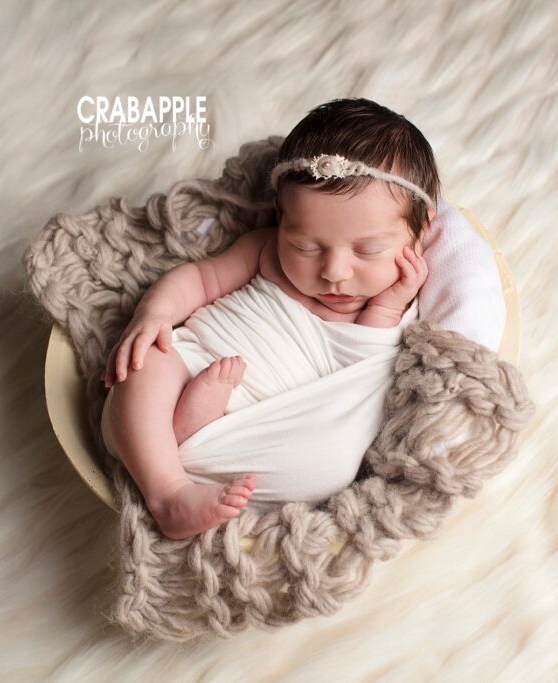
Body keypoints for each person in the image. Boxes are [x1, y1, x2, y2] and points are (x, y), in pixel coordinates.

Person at [99, 97, 441, 539]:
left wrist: (390, 304)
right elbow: (200, 279)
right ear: (281, 217)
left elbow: (363, 366)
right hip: (193, 365)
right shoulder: (264, 250)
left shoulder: (400, 296)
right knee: (145, 365)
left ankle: (194, 435)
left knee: (332, 461)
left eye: (367, 250)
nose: (334, 272)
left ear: (423, 229)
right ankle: (168, 492)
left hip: (275, 426)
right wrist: (155, 314)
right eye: (306, 246)